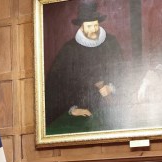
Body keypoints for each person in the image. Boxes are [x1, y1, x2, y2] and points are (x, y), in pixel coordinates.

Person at [44, 0, 125, 133]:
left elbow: (124, 73)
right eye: (89, 26)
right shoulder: (69, 49)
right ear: (81, 27)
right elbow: (55, 85)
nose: (93, 30)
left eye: (95, 25)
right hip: (80, 111)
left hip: (110, 108)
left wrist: (112, 87)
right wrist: (72, 109)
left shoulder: (111, 42)